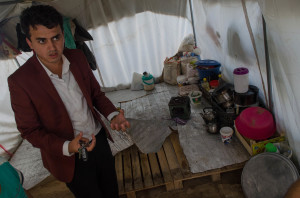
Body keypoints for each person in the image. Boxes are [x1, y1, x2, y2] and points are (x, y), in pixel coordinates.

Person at [8, 5, 130, 198]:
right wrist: (67, 146)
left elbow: (96, 94)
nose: (52, 47)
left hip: (99, 142)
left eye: (56, 37)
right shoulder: (20, 81)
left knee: (111, 191)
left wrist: (113, 115)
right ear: (29, 42)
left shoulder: (78, 58)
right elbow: (29, 130)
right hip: (68, 157)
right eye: (42, 40)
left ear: (63, 34)